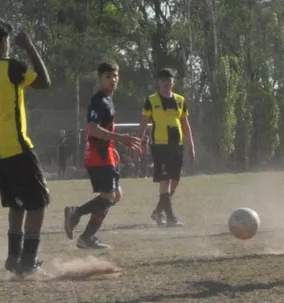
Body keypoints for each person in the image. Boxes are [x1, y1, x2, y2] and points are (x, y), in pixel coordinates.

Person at [0, 17, 52, 277]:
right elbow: (44, 82)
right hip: (13, 145)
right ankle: (28, 261)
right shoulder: (10, 67)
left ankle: (13, 257)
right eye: (7, 40)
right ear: (2, 41)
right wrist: (29, 47)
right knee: (37, 202)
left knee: (17, 202)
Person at [64, 61, 143, 250]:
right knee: (109, 196)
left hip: (106, 154)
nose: (113, 79)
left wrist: (117, 145)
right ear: (100, 79)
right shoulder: (98, 101)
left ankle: (80, 221)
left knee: (115, 196)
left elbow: (105, 130)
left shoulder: (108, 99)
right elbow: (93, 129)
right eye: (108, 76)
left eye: (115, 76)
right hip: (98, 156)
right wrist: (121, 138)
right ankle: (83, 228)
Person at [139, 68, 196, 227]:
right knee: (165, 180)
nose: (166, 83)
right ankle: (171, 218)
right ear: (158, 82)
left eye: (169, 80)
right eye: (163, 80)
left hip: (177, 145)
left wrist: (191, 146)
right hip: (160, 145)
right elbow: (143, 122)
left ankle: (158, 211)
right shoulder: (151, 100)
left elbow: (185, 124)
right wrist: (138, 142)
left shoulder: (180, 100)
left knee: (175, 181)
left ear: (173, 82)